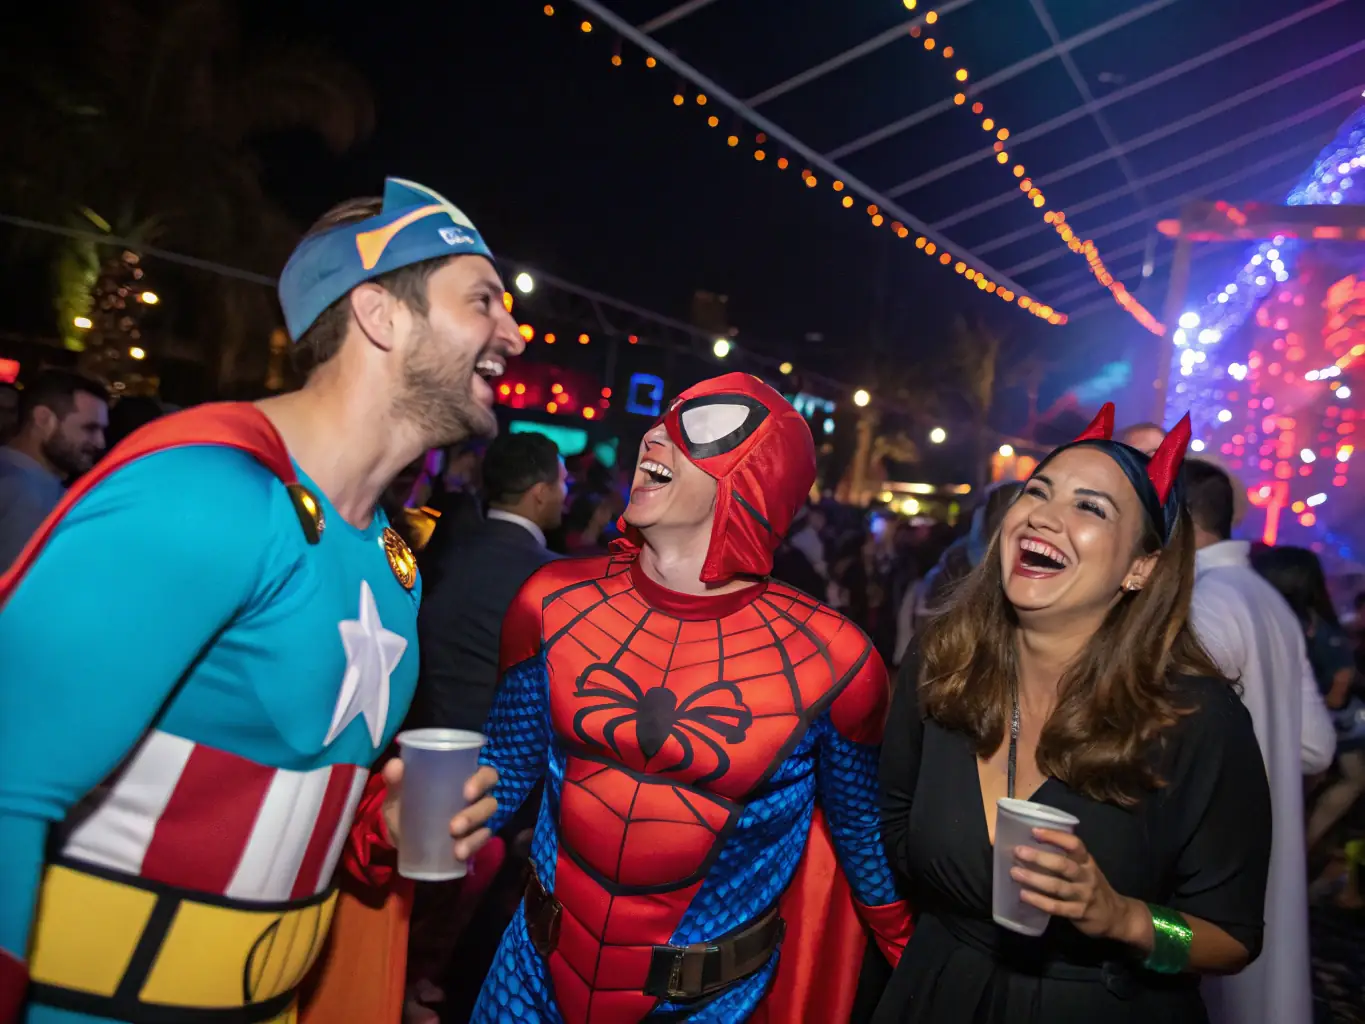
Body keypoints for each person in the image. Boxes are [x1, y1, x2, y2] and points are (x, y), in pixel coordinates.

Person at [0, 177, 515, 1024]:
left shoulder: (393, 566)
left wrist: (380, 827)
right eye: (482, 301)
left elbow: (292, 799)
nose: (512, 332)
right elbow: (11, 778)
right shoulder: (205, 493)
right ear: (381, 315)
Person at [472, 373, 912, 1023]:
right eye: (663, 417)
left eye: (700, 428)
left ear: (759, 476)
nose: (655, 433)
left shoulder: (834, 662)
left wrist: (939, 980)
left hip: (707, 1007)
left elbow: (861, 841)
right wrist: (381, 849)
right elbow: (502, 772)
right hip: (527, 979)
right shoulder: (551, 602)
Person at [878, 402, 1272, 1023]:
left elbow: (1230, 943)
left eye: (1090, 507)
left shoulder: (1194, 717)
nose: (1045, 515)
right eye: (1039, 491)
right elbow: (892, 832)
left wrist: (1124, 919)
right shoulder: (941, 664)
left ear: (1141, 566)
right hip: (937, 994)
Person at [1181, 461, 1334, 1024]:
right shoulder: (1266, 598)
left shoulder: (1202, 604)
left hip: (1213, 862)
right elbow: (1316, 748)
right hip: (1261, 850)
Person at [417, 430, 566, 732]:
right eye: (563, 482)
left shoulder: (442, 553)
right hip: (504, 762)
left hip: (429, 741)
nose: (566, 493)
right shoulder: (552, 577)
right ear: (540, 492)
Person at [1253, 545, 1365, 851]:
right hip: (1312, 727)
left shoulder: (1273, 622)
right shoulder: (1312, 625)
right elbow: (1341, 681)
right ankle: (1302, 844)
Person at [0, 370, 108, 569]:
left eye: (103, 430)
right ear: (43, 419)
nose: (100, 442)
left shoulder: (27, 482)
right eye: (90, 428)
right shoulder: (24, 493)